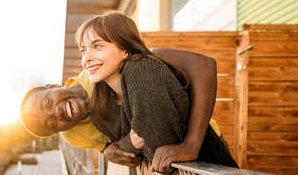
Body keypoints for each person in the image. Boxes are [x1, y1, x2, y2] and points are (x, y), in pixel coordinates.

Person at [76, 11, 238, 174]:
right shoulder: (101, 101)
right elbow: (127, 153)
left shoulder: (142, 69)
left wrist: (188, 145)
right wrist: (131, 143)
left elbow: (157, 145)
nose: (86, 58)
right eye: (83, 50)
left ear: (124, 49)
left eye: (97, 46)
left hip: (208, 168)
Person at [20, 48, 226, 168]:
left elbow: (203, 66)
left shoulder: (103, 66)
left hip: (202, 140)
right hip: (168, 163)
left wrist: (191, 144)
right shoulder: (74, 136)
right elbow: (117, 149)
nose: (56, 113)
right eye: (52, 124)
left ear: (53, 86)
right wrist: (111, 151)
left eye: (48, 103)